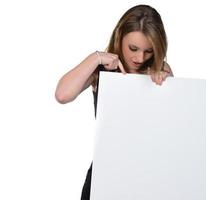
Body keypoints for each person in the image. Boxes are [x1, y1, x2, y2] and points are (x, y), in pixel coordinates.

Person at [55, 4, 173, 200]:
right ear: (120, 36)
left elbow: (171, 128)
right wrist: (96, 58)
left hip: (149, 175)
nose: (139, 57)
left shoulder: (161, 69)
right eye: (133, 48)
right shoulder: (101, 69)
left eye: (148, 51)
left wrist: (166, 83)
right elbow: (62, 95)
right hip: (105, 174)